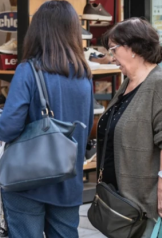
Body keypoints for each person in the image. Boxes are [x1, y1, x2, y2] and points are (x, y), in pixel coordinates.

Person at [0, 1, 93, 237]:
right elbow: (87, 126)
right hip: (68, 180)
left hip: (27, 180)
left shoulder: (28, 71)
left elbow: (8, 129)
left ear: (37, 31)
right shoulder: (84, 75)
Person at [97, 17, 162, 237]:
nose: (111, 57)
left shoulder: (158, 84)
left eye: (113, 49)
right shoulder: (128, 83)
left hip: (143, 207)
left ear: (133, 47)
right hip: (120, 204)